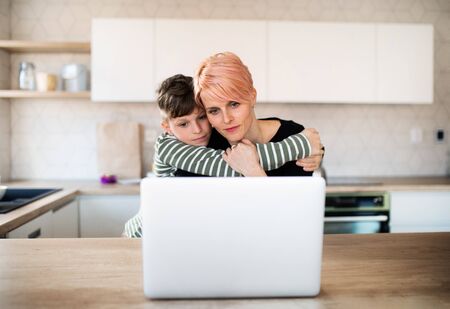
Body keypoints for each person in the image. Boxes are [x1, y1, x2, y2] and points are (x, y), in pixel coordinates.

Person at [123, 74, 322, 237]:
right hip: (142, 234)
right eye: (184, 124)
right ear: (167, 127)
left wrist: (317, 151)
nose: (197, 130)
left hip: (174, 235)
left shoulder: (215, 135)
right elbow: (231, 162)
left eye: (202, 117)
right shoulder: (168, 146)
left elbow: (248, 152)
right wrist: (302, 144)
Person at [175, 51, 324, 178]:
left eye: (234, 104)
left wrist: (253, 171)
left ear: (252, 97)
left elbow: (291, 210)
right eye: (214, 111)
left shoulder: (293, 137)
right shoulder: (203, 146)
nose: (227, 119)